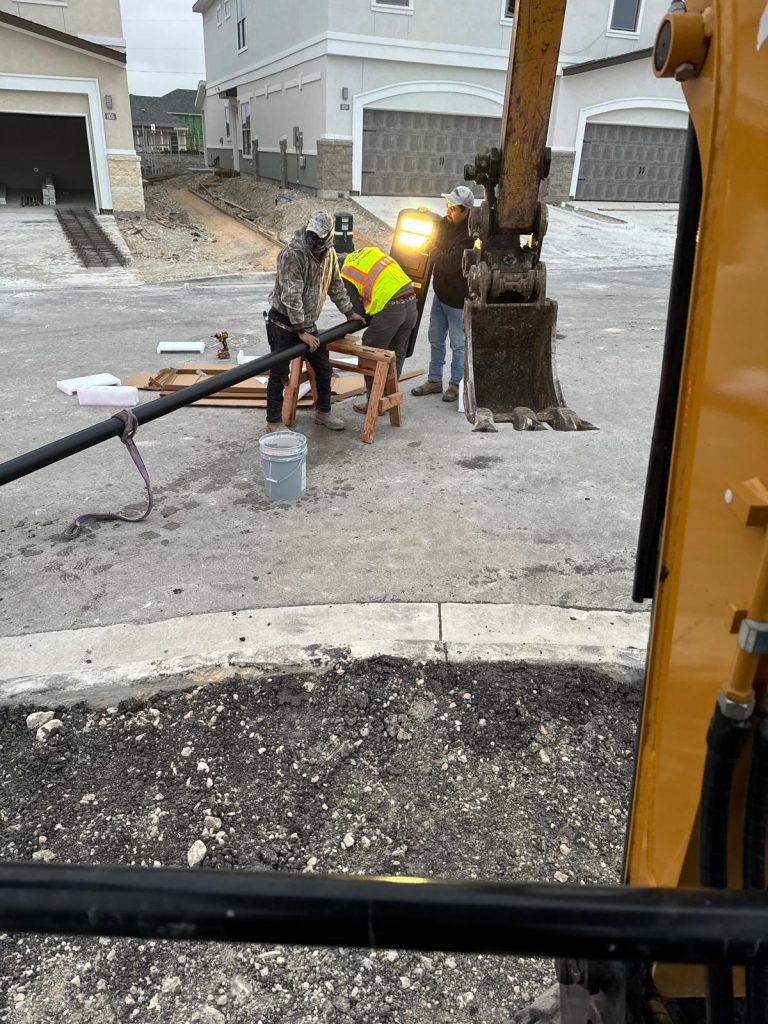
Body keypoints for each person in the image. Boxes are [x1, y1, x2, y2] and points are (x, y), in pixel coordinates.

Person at [266, 210, 366, 432]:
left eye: (319, 237)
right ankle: (273, 422)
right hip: (283, 324)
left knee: (323, 368)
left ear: (328, 237)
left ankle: (323, 413)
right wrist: (301, 331)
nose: (313, 240)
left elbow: (336, 286)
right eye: (312, 234)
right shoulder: (292, 254)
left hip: (307, 324)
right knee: (279, 372)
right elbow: (291, 295)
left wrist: (349, 312)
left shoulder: (329, 254)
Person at [411, 185, 474, 403]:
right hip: (440, 295)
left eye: (454, 208)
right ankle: (434, 380)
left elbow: (449, 263)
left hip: (457, 301)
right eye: (447, 206)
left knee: (458, 344)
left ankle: (455, 385)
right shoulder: (444, 224)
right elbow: (435, 241)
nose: (448, 211)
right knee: (435, 339)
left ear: (466, 211)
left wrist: (430, 247)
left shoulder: (469, 236)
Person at [339, 247, 417, 414]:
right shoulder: (369, 251)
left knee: (371, 352)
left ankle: (374, 402)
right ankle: (390, 397)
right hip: (411, 302)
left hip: (391, 309)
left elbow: (356, 312)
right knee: (396, 353)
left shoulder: (345, 272)